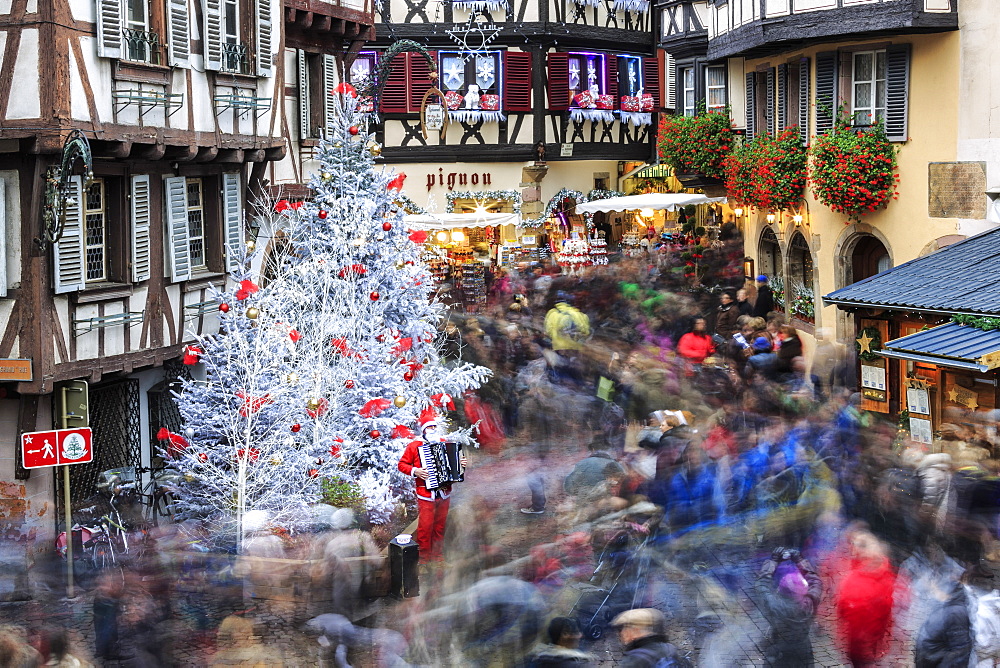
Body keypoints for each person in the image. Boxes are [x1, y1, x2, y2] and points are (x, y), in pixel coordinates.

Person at [397, 408, 467, 562]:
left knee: (440, 526)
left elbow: (455, 465)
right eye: (429, 427)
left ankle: (437, 555)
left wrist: (461, 464)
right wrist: (415, 471)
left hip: (444, 492)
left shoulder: (444, 443)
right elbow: (402, 465)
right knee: (425, 526)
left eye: (434, 426)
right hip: (426, 493)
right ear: (423, 430)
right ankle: (424, 558)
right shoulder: (414, 446)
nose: (433, 429)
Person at [755, 548, 822, 667]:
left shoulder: (773, 605)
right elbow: (815, 581)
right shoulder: (809, 604)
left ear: (780, 591)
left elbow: (762, 585)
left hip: (778, 652)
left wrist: (773, 561)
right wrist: (800, 561)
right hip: (803, 650)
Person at [609, 608, 689, 668]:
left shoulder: (635, 660)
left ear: (634, 630)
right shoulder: (670, 649)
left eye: (622, 628)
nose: (621, 633)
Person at [525, 617, 594, 667]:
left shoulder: (539, 658)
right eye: (576, 632)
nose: (580, 635)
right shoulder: (571, 665)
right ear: (565, 635)